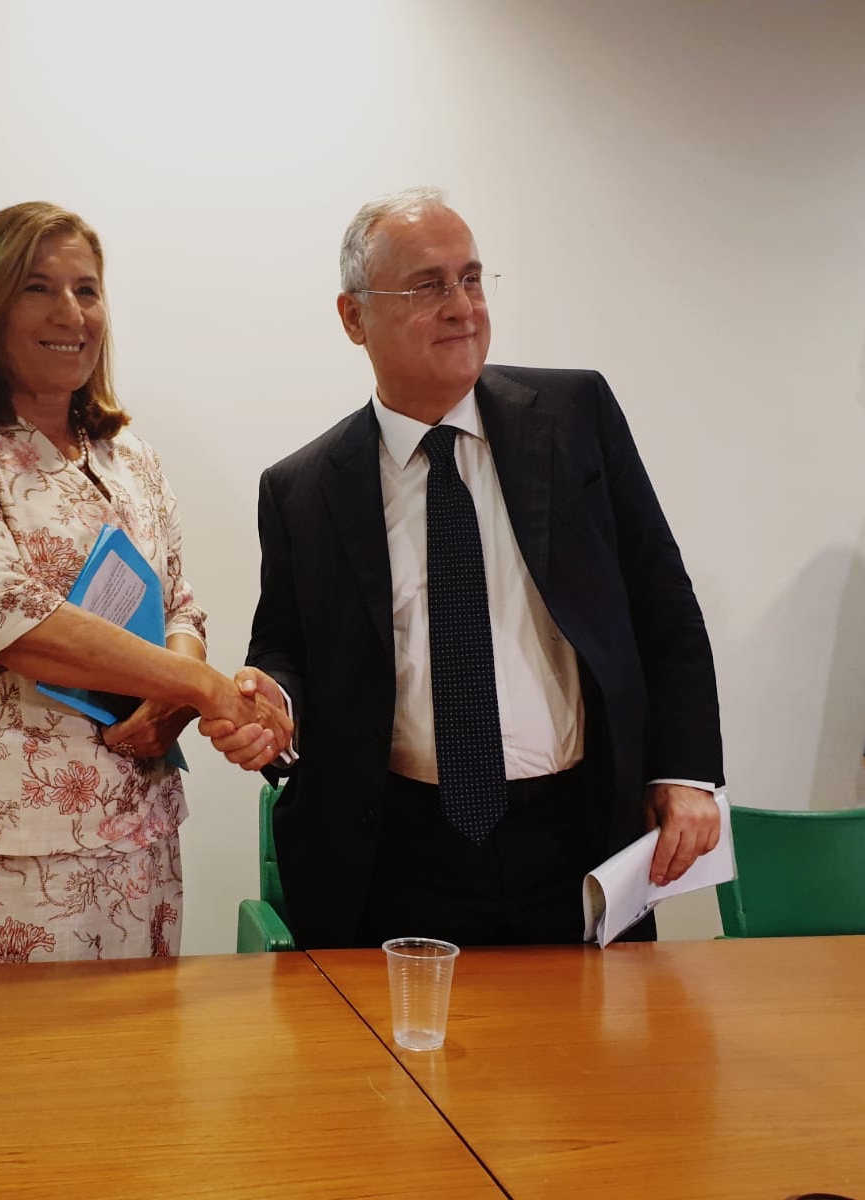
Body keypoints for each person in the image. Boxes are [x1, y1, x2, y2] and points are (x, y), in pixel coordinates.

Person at [202, 186, 723, 950]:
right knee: (402, 1033)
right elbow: (286, 647)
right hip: (394, 851)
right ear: (353, 317)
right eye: (426, 286)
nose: (461, 307)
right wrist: (270, 702)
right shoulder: (302, 488)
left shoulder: (574, 416)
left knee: (589, 1033)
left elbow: (660, 598)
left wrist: (684, 772)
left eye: (470, 279)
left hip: (579, 835)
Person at [0, 201, 287, 968]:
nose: (71, 312)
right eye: (38, 288)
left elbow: (179, 604)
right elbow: (1, 613)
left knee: (128, 1049)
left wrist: (173, 700)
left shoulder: (129, 456)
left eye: (86, 290)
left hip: (135, 838)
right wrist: (201, 687)